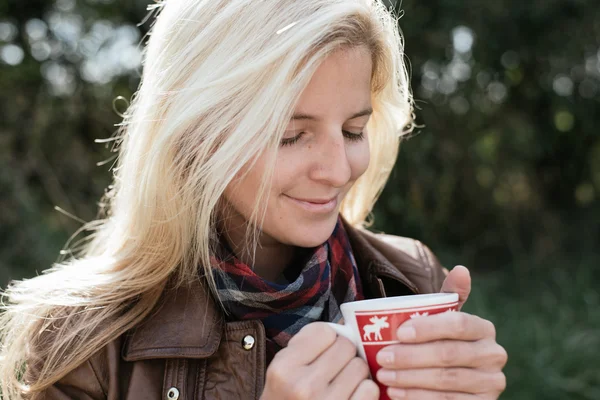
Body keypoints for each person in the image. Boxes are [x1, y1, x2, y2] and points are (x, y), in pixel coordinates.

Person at [0, 0, 507, 399]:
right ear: (196, 133)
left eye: (354, 130)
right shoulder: (78, 345)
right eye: (291, 135)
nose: (336, 170)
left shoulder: (412, 283)